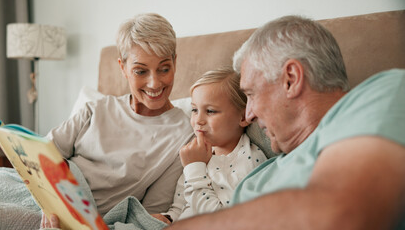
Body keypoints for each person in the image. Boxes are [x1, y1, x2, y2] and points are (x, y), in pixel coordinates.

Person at [167, 15, 405, 229]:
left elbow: (342, 215)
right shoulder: (261, 174)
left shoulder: (386, 92)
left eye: (250, 94)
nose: (248, 115)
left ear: (291, 79)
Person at [40, 13, 193, 228]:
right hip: (47, 197)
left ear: (175, 62)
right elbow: (41, 152)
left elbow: (146, 217)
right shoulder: (96, 109)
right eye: (141, 71)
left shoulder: (184, 135)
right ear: (123, 68)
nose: (154, 83)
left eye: (164, 69)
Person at [152, 68, 267, 224]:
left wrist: (194, 168)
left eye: (210, 111)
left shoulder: (249, 161)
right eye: (194, 110)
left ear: (243, 116)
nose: (198, 120)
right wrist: (169, 218)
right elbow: (182, 204)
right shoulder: (198, 153)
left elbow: (220, 220)